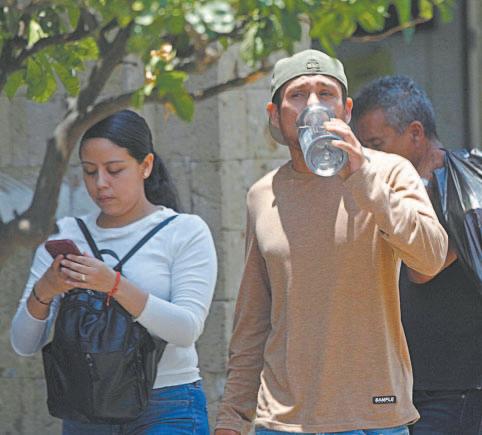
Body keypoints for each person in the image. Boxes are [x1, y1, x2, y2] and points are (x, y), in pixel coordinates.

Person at [214, 49, 448, 435]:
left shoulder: (389, 171)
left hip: (375, 415)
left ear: (346, 110)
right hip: (284, 420)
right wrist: (232, 418)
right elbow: (253, 320)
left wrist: (362, 177)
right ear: (274, 114)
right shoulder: (262, 194)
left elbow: (430, 257)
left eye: (326, 94)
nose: (313, 106)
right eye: (297, 95)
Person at [10, 109, 217, 434]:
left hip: (167, 404)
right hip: (85, 408)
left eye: (114, 170)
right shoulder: (66, 234)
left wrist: (114, 284)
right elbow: (23, 344)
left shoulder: (184, 231)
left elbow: (186, 329)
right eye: (90, 171)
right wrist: (45, 290)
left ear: (145, 165)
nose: (100, 183)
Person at [352, 75, 482, 435]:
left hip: (455, 390)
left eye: (375, 144)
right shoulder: (379, 192)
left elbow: (423, 268)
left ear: (415, 133)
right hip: (400, 387)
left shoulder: (460, 184)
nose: (368, 157)